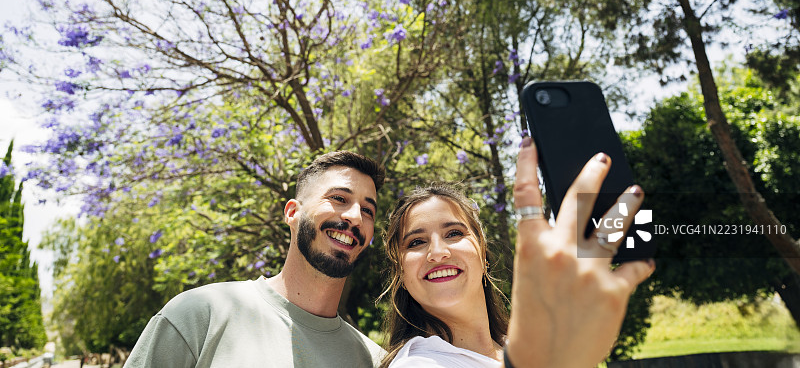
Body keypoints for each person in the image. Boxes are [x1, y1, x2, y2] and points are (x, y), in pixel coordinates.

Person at [380, 137, 656, 368]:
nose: (437, 252)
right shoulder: (417, 364)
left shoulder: (517, 346)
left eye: (454, 233)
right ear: (401, 274)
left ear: (483, 255)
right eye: (416, 242)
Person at [124, 150, 386, 368]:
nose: (355, 217)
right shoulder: (197, 317)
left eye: (368, 210)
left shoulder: (374, 362)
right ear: (293, 213)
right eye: (339, 198)